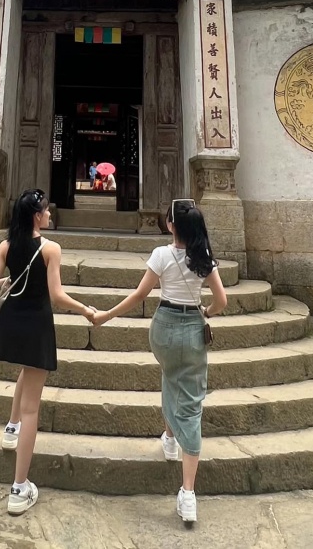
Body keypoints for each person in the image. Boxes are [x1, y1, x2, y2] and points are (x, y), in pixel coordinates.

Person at [92, 200, 226, 525]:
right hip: (191, 331)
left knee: (169, 374)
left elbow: (140, 295)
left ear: (170, 225)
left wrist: (107, 315)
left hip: (163, 329)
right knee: (190, 405)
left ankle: (169, 439)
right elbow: (221, 301)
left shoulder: (161, 255)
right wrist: (206, 312)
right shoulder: (204, 258)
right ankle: (188, 493)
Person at [0, 188, 96, 515]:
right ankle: (19, 488)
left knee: (27, 373)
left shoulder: (6, 246)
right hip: (36, 325)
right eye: (45, 210)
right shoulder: (50, 249)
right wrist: (85, 310)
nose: (49, 214)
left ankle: (11, 427)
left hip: (11, 323)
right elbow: (56, 295)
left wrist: (4, 282)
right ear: (36, 215)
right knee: (32, 407)